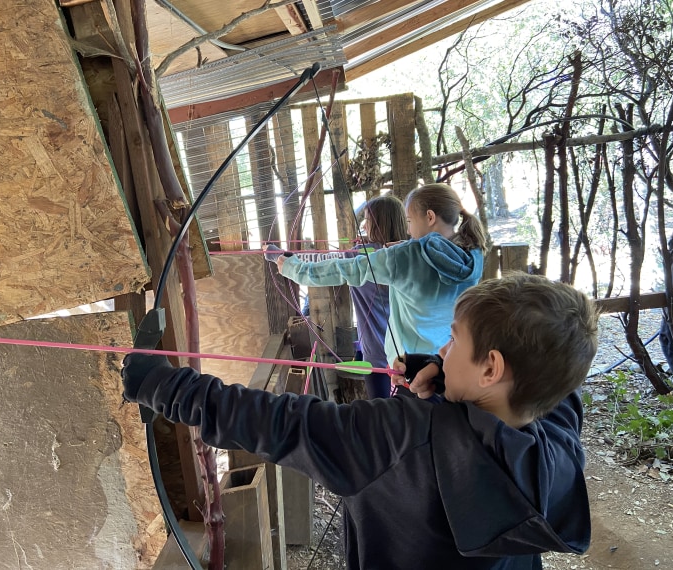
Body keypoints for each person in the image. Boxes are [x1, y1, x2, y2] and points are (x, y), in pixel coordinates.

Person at [121, 273, 598, 569]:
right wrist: (449, 373)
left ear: (491, 368)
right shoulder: (556, 434)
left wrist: (161, 385)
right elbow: (554, 388)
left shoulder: (399, 438)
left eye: (453, 341)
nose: (445, 349)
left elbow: (279, 422)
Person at [271, 183, 487, 390]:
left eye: (410, 221)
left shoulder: (406, 256)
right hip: (447, 361)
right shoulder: (472, 255)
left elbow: (345, 270)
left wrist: (294, 269)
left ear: (430, 217)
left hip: (410, 366)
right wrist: (406, 249)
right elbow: (432, 258)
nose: (409, 230)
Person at [266, 194, 408, 399]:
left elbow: (319, 261)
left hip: (378, 357)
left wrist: (274, 254)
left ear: (379, 223)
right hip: (410, 354)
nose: (365, 226)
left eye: (368, 220)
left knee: (383, 416)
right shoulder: (411, 253)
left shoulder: (362, 256)